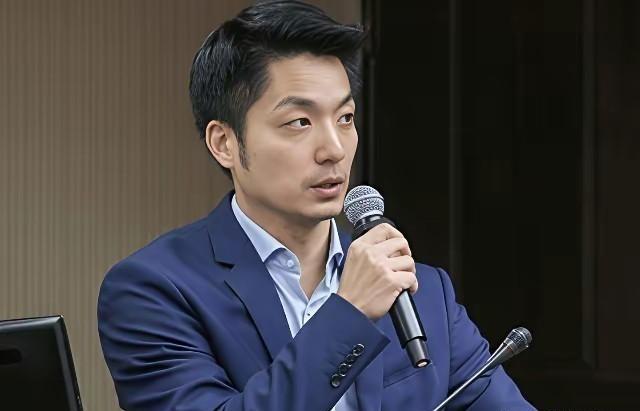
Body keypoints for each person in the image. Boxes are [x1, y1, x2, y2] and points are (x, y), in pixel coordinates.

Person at [97, 1, 536, 410]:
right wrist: (349, 315)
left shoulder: (423, 291)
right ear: (224, 143)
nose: (334, 149)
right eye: (300, 122)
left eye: (345, 118)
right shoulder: (154, 290)